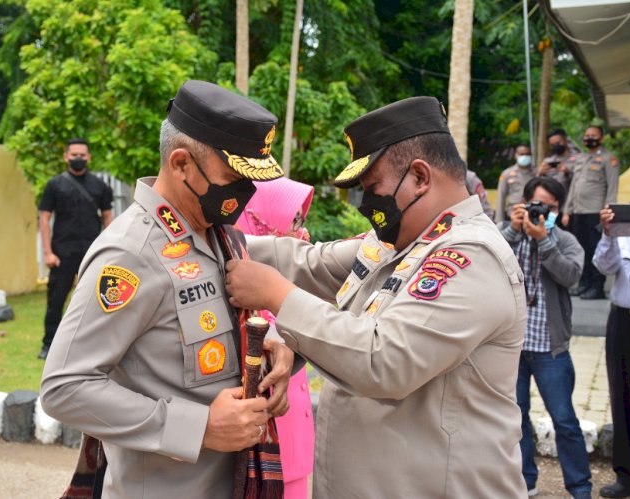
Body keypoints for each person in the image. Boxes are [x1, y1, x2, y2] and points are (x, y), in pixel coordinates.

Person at [224, 96, 527, 497]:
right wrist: (220, 236)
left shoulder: (470, 256)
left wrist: (278, 296)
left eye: (374, 189)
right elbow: (309, 262)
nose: (368, 206)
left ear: (420, 177)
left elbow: (385, 360)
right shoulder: (402, 240)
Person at [40, 80, 295, 498]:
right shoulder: (131, 255)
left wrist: (274, 347)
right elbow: (65, 387)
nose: (244, 195)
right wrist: (199, 428)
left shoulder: (214, 237)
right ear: (180, 164)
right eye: (233, 178)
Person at [499, 176, 591, 498]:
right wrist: (513, 230)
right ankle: (526, 481)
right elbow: (486, 260)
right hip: (512, 348)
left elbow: (571, 275)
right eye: (538, 205)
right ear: (523, 203)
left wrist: (544, 241)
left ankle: (580, 486)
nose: (543, 213)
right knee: (516, 418)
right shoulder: (506, 235)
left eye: (550, 208)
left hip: (550, 349)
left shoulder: (565, 241)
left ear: (559, 211)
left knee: (564, 420)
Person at [235, 176, 315, 499]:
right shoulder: (241, 283)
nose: (300, 229)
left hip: (295, 423)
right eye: (292, 219)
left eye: (300, 218)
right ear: (257, 219)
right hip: (261, 429)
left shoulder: (290, 275)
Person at [37, 138, 114, 360]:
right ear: (66, 157)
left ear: (89, 157)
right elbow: (44, 219)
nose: (78, 159)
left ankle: (91, 347)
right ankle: (48, 344)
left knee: (95, 302)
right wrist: (47, 253)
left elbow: (108, 218)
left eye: (83, 155)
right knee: (56, 301)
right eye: (74, 155)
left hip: (92, 253)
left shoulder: (100, 187)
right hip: (62, 254)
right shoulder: (54, 185)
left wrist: (109, 249)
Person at [593, 185, 630, 498]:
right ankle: (627, 477)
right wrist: (608, 233)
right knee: (624, 396)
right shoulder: (622, 224)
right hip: (625, 321)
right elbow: (603, 266)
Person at [563, 125, 620, 299]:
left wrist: (607, 211)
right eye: (587, 135)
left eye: (593, 135)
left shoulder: (609, 159)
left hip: (596, 212)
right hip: (578, 211)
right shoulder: (580, 158)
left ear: (601, 138)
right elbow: (574, 186)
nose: (589, 138)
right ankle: (584, 283)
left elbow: (612, 186)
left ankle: (597, 287)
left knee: (596, 250)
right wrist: (567, 210)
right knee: (582, 249)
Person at [496, 144, 534, 222]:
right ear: (516, 155)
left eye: (527, 154)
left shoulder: (536, 173)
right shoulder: (507, 173)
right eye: (522, 154)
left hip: (532, 213)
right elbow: (501, 197)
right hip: (512, 213)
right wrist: (499, 220)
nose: (525, 157)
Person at [537, 128, 579, 195]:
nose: (556, 146)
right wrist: (541, 173)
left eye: (558, 143)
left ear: (565, 140)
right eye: (552, 145)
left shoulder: (578, 158)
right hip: (553, 199)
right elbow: (540, 184)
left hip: (572, 198)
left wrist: (567, 172)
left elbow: (582, 180)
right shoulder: (548, 161)